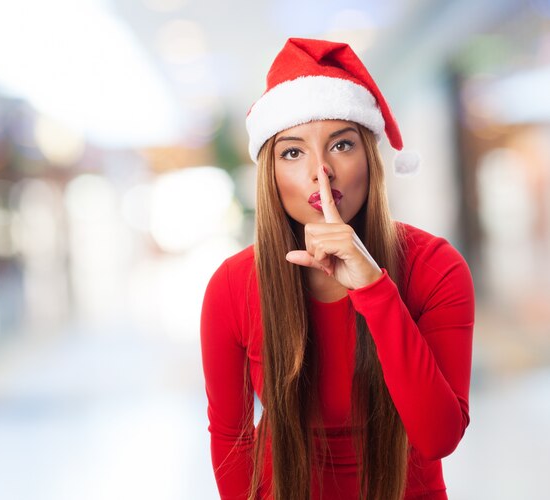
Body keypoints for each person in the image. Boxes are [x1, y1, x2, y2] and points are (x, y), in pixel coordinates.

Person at [200, 38, 475, 500]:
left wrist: (372, 286)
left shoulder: (436, 266)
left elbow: (439, 437)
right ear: (270, 174)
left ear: (369, 158)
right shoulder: (233, 284)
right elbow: (231, 438)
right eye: (293, 153)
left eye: (341, 144)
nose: (320, 171)